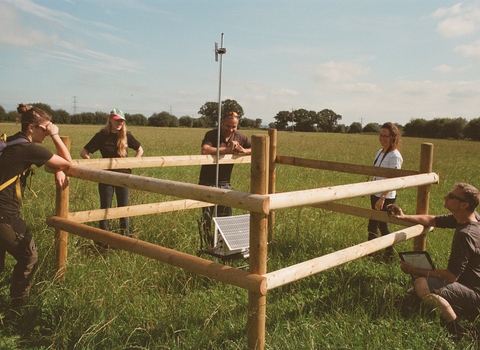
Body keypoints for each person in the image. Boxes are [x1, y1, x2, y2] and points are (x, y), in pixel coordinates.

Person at [388, 183, 480, 341]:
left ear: (464, 205)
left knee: (421, 284)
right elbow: (433, 220)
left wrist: (414, 270)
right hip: (470, 286)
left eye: (451, 196)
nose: (446, 197)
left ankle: (456, 329)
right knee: (415, 292)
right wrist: (404, 217)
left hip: (474, 293)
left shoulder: (465, 235)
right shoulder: (471, 218)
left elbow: (451, 276)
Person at [0, 103, 72, 307]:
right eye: (46, 129)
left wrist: (56, 169)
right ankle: (18, 306)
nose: (48, 133)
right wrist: (57, 136)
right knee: (28, 255)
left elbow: (54, 164)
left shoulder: (11, 141)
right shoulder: (29, 148)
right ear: (31, 128)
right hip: (5, 214)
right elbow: (67, 162)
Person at [80, 108, 143, 239]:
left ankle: (124, 238)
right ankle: (103, 240)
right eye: (116, 120)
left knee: (123, 208)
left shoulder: (127, 135)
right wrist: (94, 166)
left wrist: (132, 164)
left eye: (121, 120)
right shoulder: (101, 135)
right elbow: (84, 152)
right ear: (110, 119)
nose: (119, 123)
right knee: (105, 208)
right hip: (106, 176)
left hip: (124, 176)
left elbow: (140, 149)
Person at [198, 111, 251, 249]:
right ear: (221, 123)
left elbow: (258, 147)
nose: (231, 129)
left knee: (226, 219)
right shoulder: (212, 134)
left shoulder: (239, 137)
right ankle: (209, 246)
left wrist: (244, 151)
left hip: (225, 184)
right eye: (228, 126)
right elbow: (205, 150)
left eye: (234, 127)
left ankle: (225, 248)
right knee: (207, 218)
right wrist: (227, 150)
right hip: (207, 183)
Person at [367, 122, 403, 262]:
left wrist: (383, 197)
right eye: (381, 135)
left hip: (385, 196)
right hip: (375, 193)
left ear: (393, 137)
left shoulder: (395, 156)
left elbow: (393, 178)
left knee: (379, 224)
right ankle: (376, 253)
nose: (382, 138)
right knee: (375, 223)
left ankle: (387, 254)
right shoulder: (380, 152)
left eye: (386, 136)